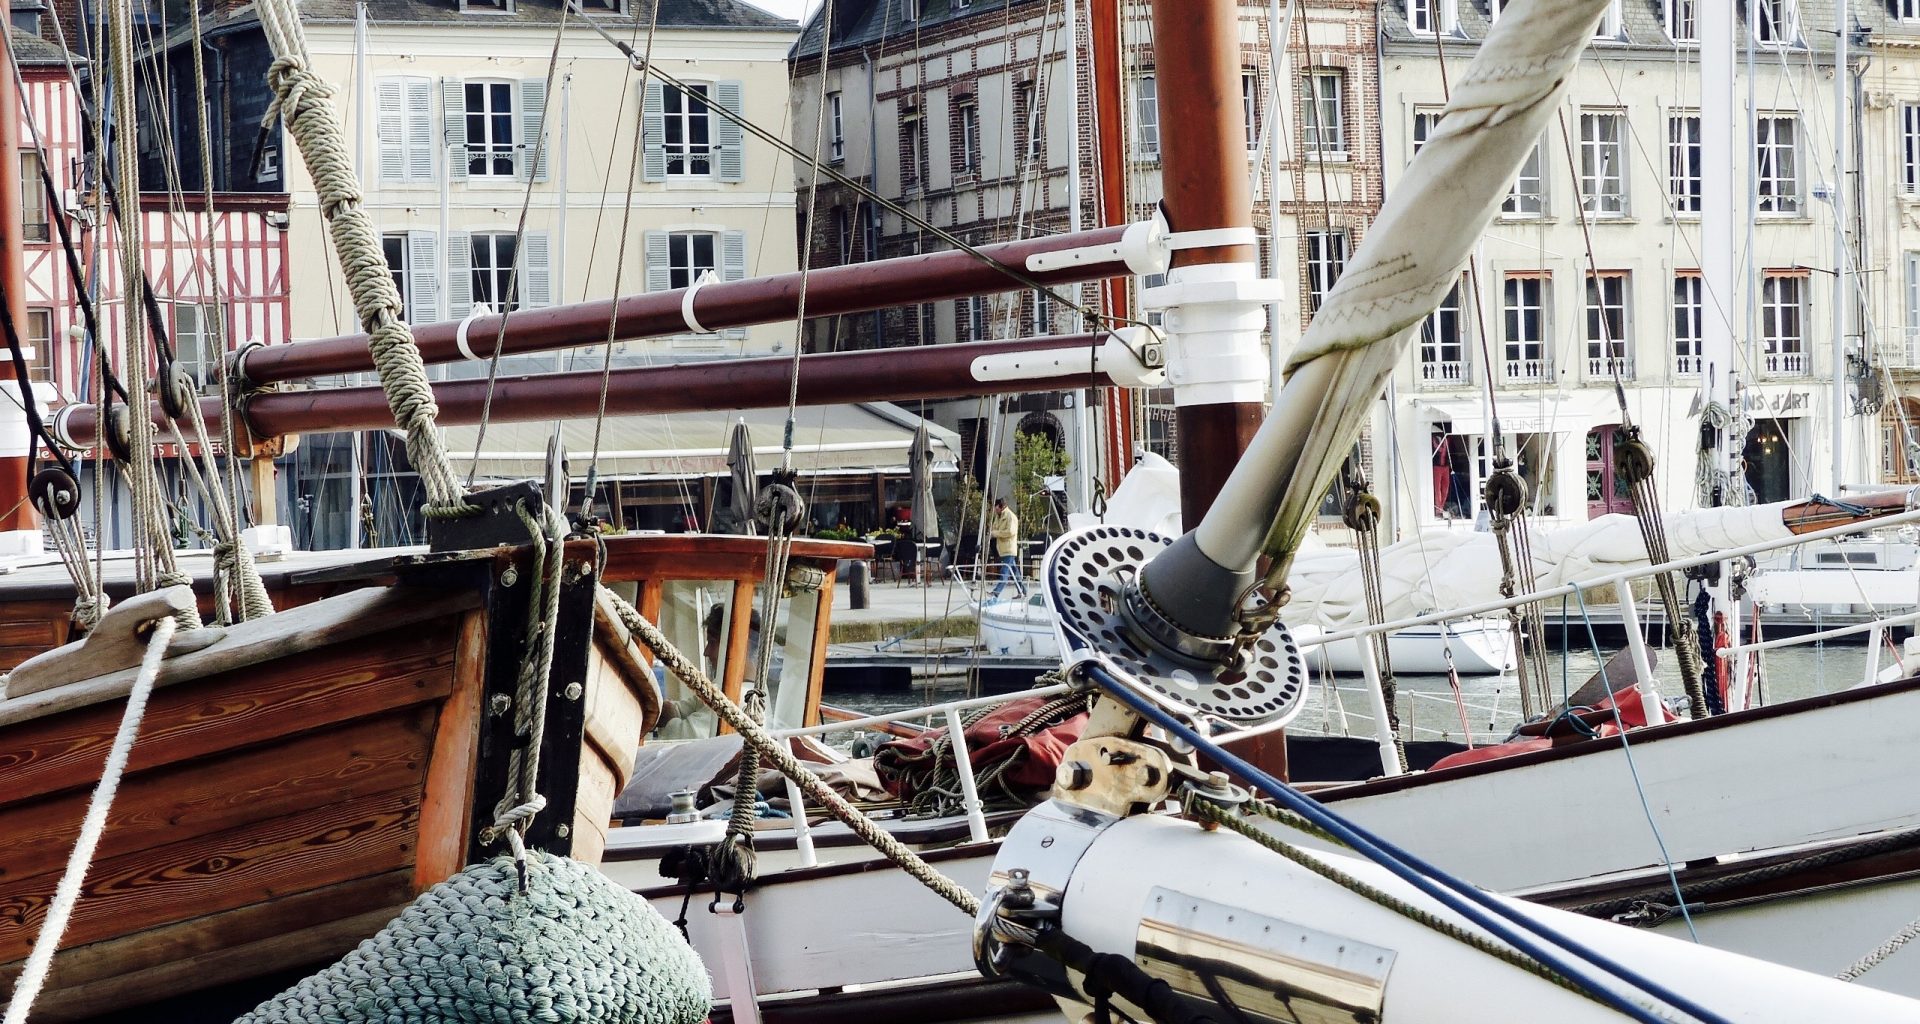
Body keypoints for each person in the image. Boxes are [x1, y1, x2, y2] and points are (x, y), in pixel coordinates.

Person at [989, 497, 1025, 599]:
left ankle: (996, 592)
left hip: (1009, 548)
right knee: (1014, 571)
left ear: (1001, 507)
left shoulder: (1010, 517)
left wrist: (995, 533)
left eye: (996, 507)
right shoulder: (998, 516)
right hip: (1002, 548)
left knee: (1004, 571)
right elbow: (995, 527)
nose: (995, 510)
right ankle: (1023, 591)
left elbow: (1011, 532)